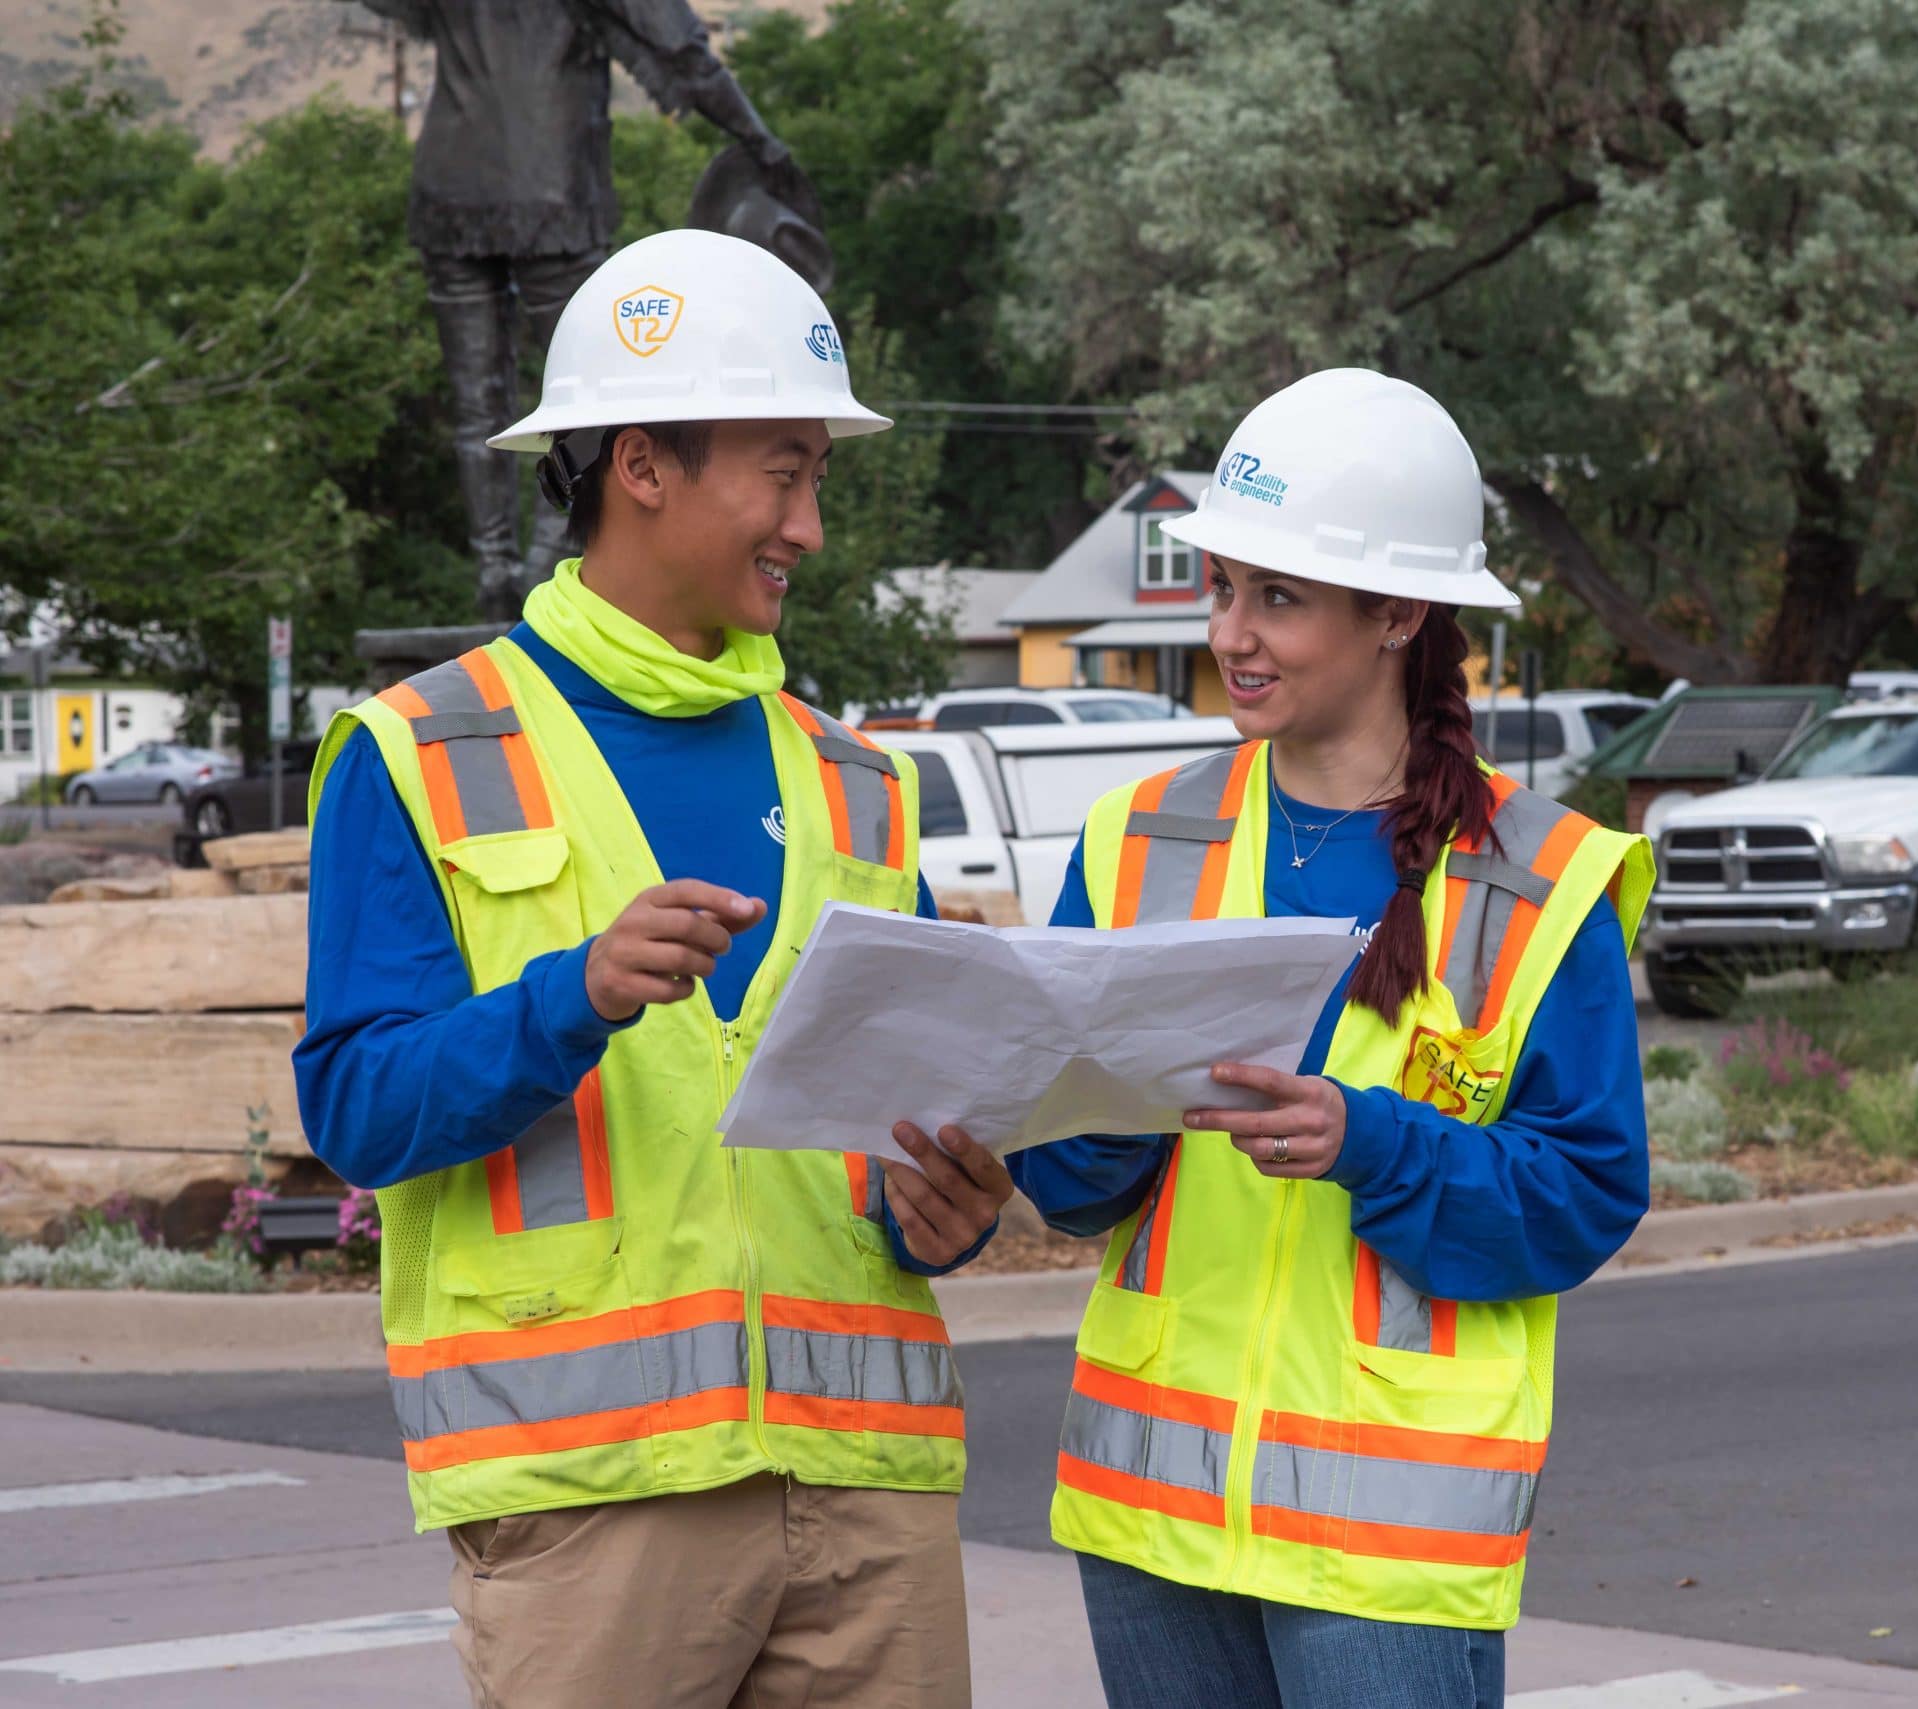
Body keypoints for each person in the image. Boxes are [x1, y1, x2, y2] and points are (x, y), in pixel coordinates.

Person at [293, 228, 1009, 1709]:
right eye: (784, 470)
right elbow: (357, 1111)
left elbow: (883, 1139)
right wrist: (576, 995)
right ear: (641, 466)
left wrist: (944, 1207)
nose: (810, 523)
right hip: (594, 1508)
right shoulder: (420, 752)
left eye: (818, 476)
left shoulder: (859, 783)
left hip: (868, 1489)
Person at [1009, 369, 1658, 1709]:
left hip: (1389, 1547)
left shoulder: (1540, 880)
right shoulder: (1137, 840)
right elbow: (1070, 1186)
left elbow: (1584, 1197)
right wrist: (1064, 1106)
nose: (1231, 633)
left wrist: (1376, 1145)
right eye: (1224, 589)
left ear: (1400, 614)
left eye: (1279, 599)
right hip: (1152, 1517)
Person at [357, 0, 823, 617]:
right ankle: (539, 573)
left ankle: (494, 574)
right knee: (589, 401)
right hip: (553, 190)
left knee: (477, 405)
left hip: (450, 186)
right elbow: (683, 53)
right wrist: (761, 142)